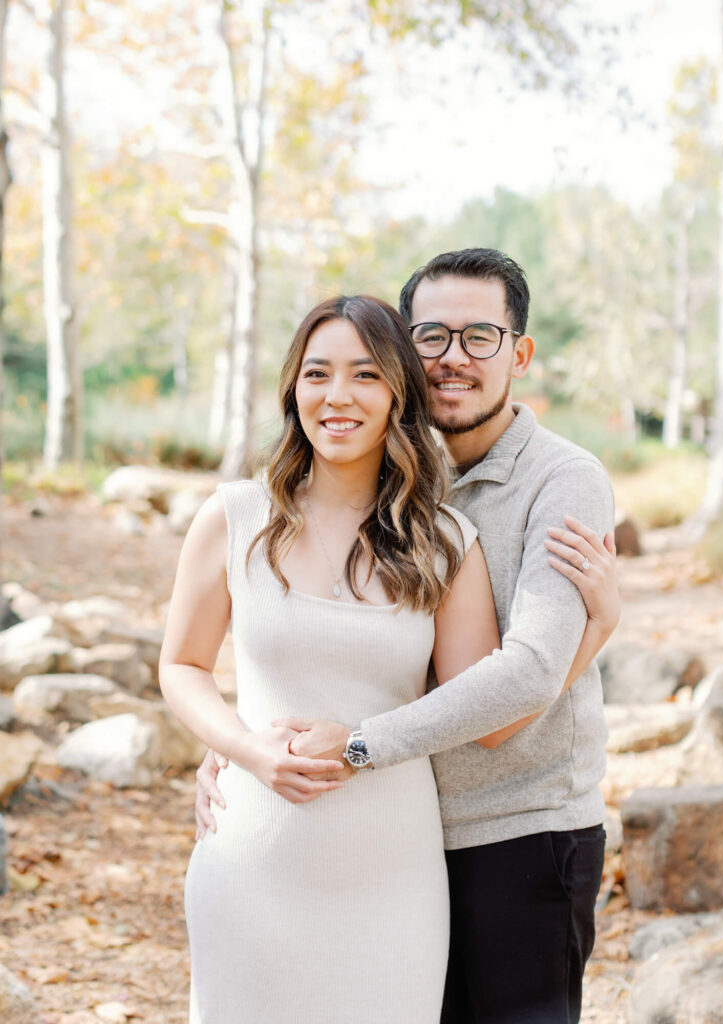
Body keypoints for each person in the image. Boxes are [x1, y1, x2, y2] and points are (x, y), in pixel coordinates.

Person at [162, 288, 616, 1024]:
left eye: (366, 374)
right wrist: (240, 747)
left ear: (399, 392)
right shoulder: (233, 516)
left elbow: (491, 716)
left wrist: (596, 627)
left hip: (394, 876)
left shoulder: (444, 542)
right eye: (317, 373)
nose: (338, 395)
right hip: (250, 861)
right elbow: (182, 667)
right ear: (292, 388)